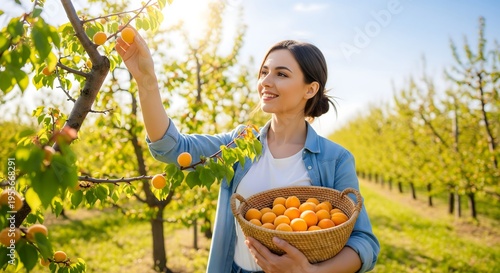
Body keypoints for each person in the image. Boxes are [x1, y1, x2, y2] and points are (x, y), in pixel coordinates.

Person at [116, 27, 380, 273]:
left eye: (281, 74)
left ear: (310, 89)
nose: (266, 81)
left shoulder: (335, 159)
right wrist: (146, 80)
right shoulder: (240, 143)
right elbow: (170, 148)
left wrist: (310, 271)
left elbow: (364, 243)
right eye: (264, 71)